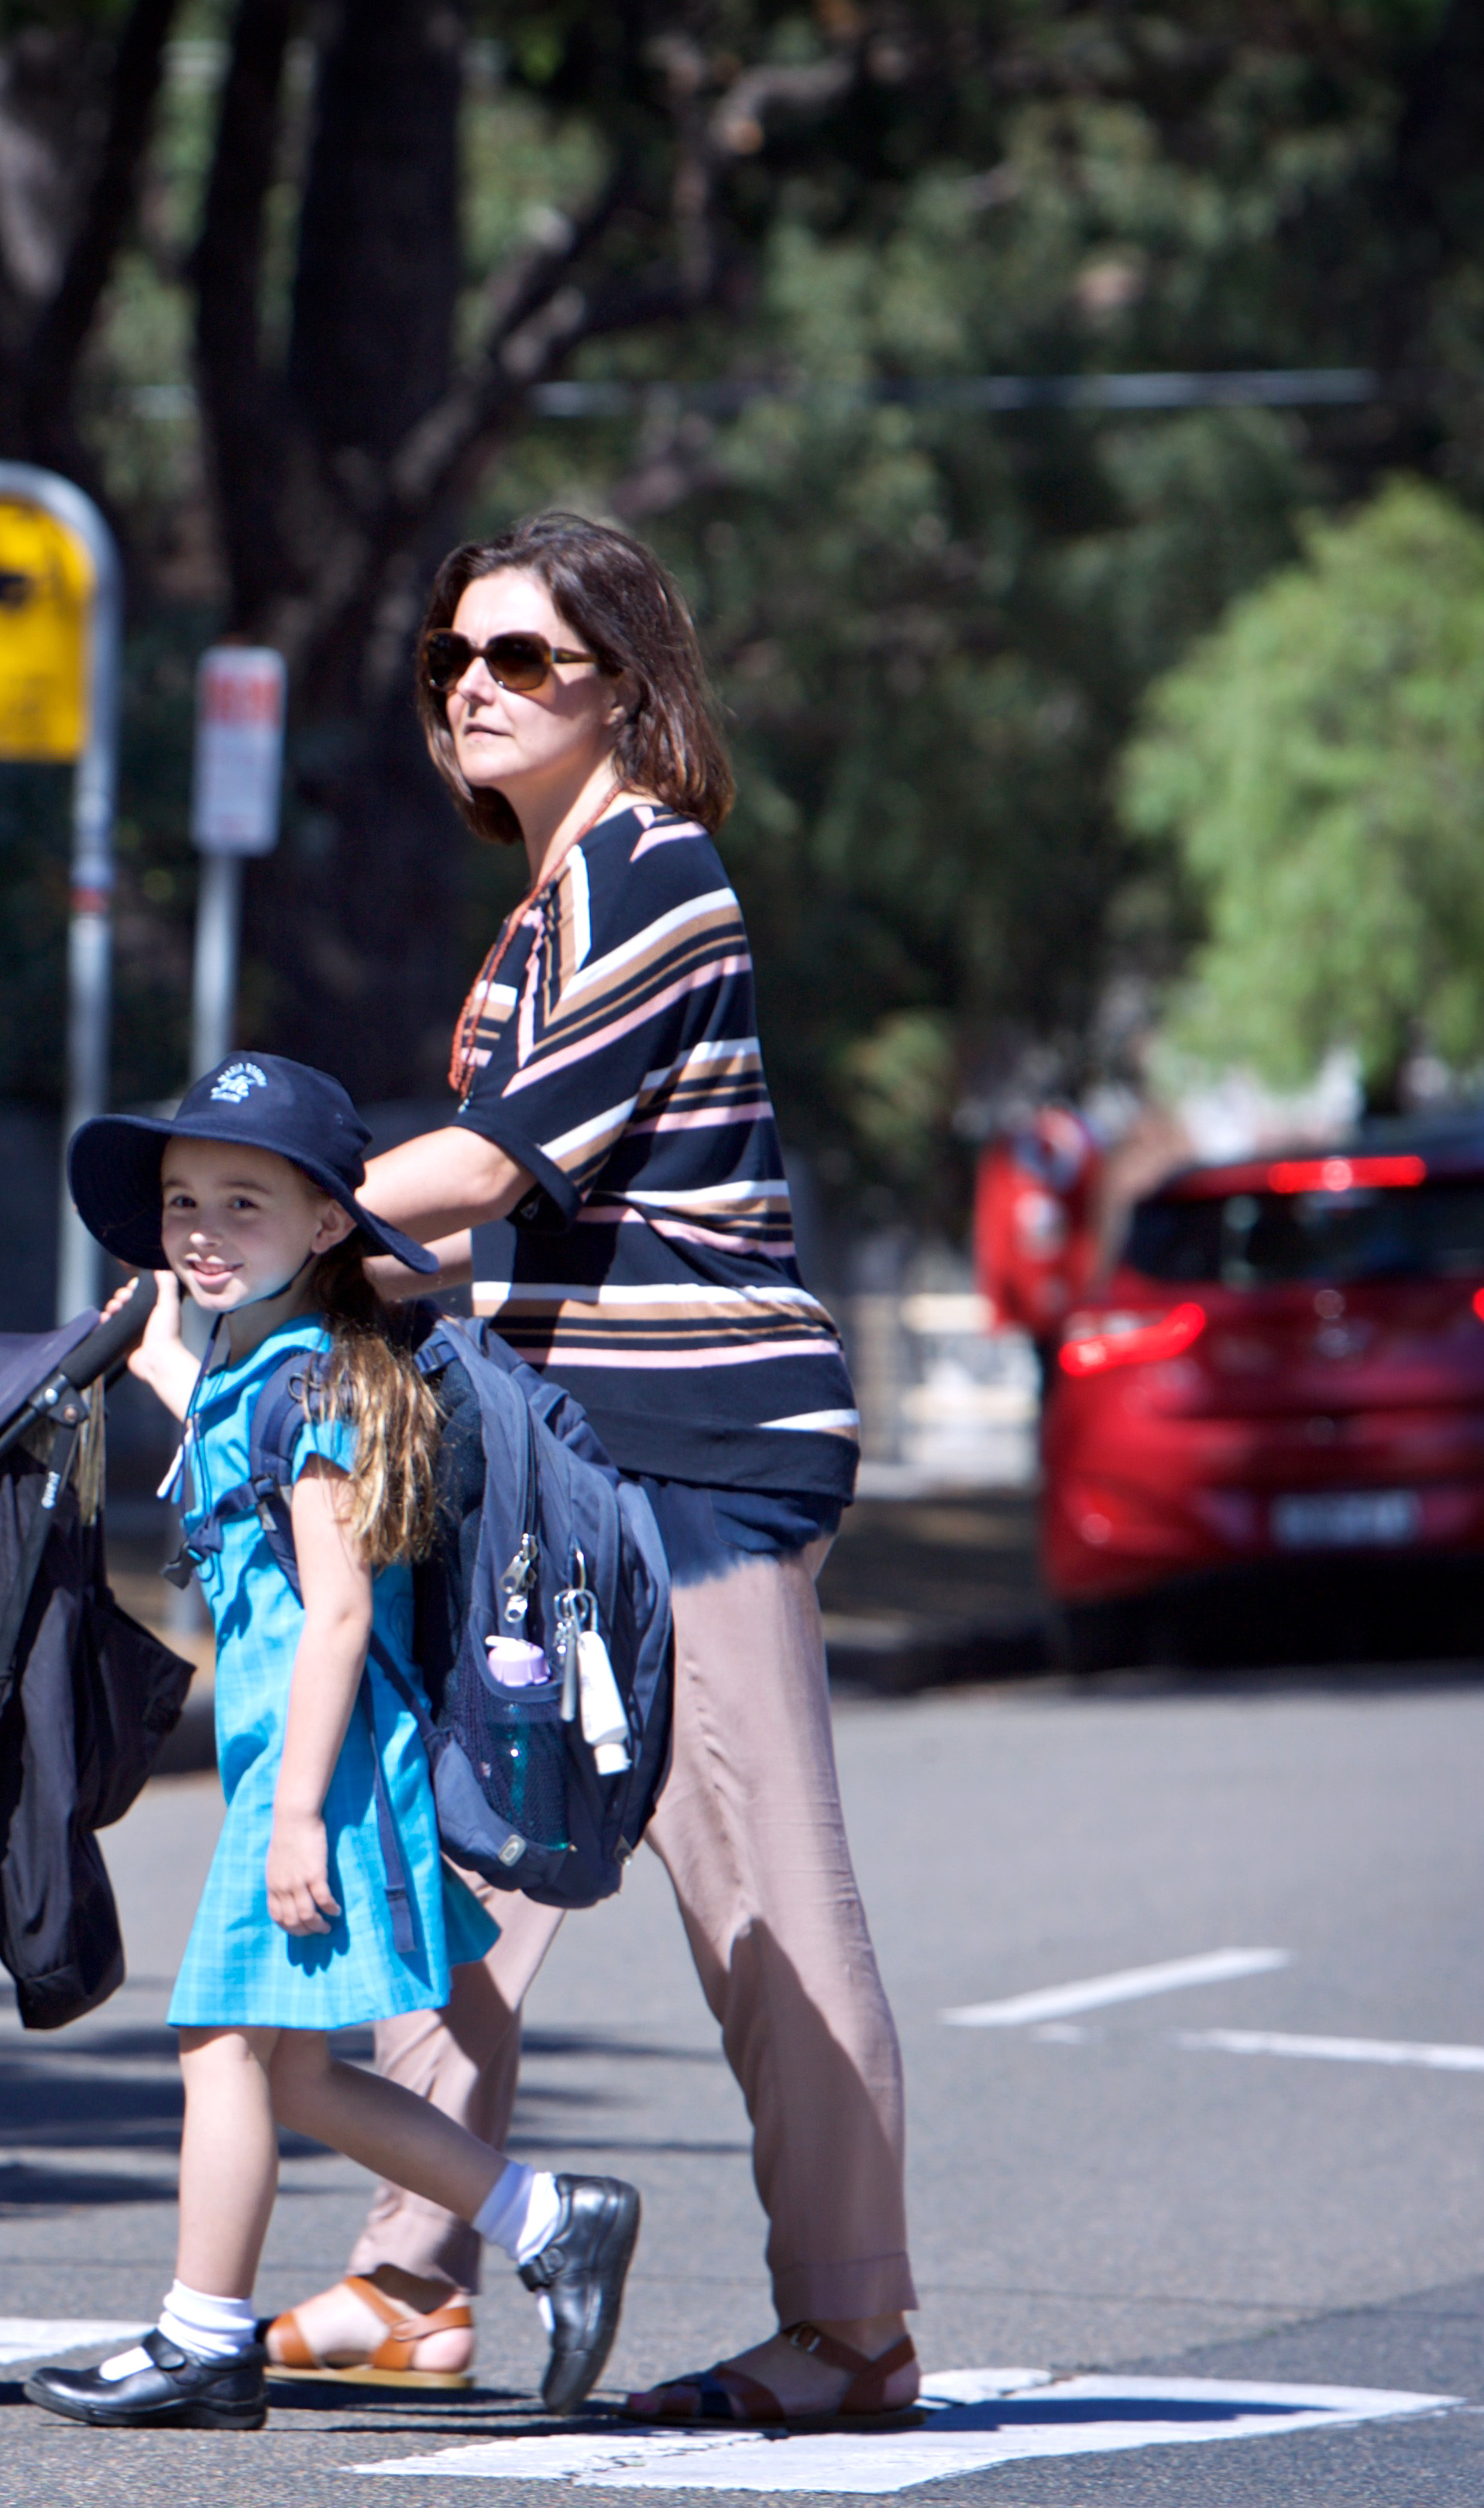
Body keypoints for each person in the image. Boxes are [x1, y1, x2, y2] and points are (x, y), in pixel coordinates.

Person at [263, 512, 922, 2431]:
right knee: (465, 1867)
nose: (470, 684)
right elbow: (513, 1223)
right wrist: (329, 1267)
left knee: (764, 1910)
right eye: (448, 658)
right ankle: (406, 2276)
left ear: (626, 685)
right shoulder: (544, 907)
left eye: (521, 658)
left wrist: (241, 1230)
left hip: (695, 1460)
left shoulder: (654, 875)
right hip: (559, 1464)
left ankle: (853, 2329)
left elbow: (483, 1166)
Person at [19, 1060, 641, 2434]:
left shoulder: (320, 1391)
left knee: (216, 2043)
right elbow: (234, 1465)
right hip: (294, 1764)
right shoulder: (262, 1373)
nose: (201, 1228)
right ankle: (549, 2213)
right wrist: (159, 1357)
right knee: (289, 2064)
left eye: (243, 1202)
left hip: (323, 1768)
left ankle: (201, 2336)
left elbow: (341, 1607)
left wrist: (296, 1812)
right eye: (184, 1201)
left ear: (322, 1228)